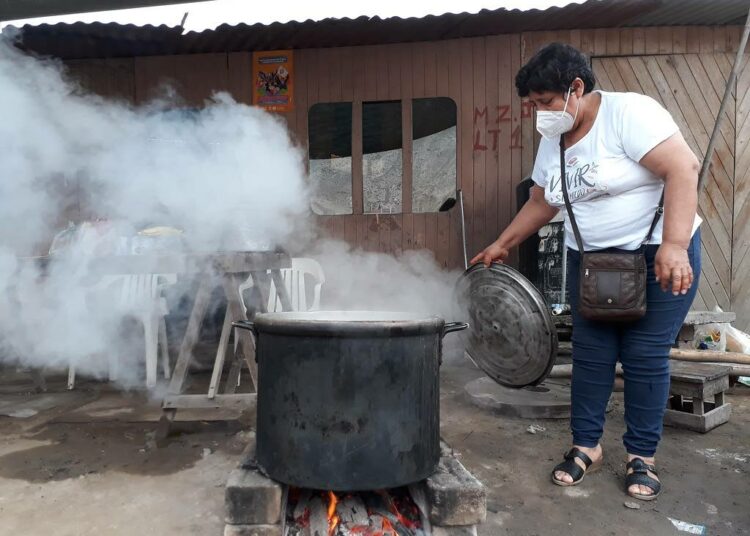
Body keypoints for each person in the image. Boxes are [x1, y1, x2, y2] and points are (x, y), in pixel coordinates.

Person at [471, 43, 701, 501]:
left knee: (643, 357)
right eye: (533, 105)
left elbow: (683, 167)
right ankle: (586, 448)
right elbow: (542, 200)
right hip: (592, 263)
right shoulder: (554, 139)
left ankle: (642, 457)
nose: (538, 113)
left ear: (576, 88)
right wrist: (502, 243)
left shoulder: (630, 114)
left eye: (544, 102)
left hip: (656, 255)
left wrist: (674, 245)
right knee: (591, 357)